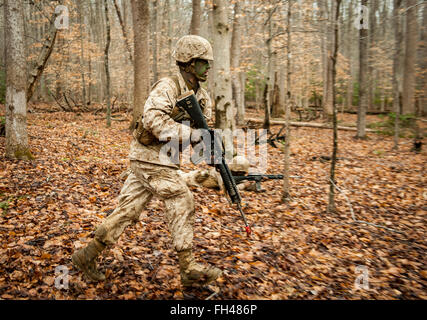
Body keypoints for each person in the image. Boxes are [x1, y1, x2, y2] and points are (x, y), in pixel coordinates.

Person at [72, 35, 222, 288]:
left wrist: (211, 146)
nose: (208, 66)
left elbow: (203, 130)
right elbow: (154, 121)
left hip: (166, 160)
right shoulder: (167, 87)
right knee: (180, 197)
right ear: (189, 62)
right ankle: (188, 268)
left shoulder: (203, 97)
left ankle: (86, 256)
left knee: (127, 211)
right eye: (203, 62)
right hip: (149, 157)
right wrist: (193, 134)